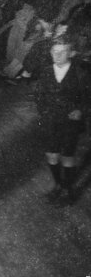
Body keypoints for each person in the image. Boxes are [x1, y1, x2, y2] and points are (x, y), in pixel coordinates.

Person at [30, 37, 89, 205]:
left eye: (62, 52)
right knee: (52, 155)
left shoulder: (80, 74)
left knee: (67, 155)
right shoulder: (47, 71)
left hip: (70, 122)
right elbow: (39, 95)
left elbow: (87, 99)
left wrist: (80, 111)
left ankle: (67, 189)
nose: (57, 55)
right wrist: (43, 113)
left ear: (71, 53)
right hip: (51, 119)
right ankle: (58, 184)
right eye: (54, 51)